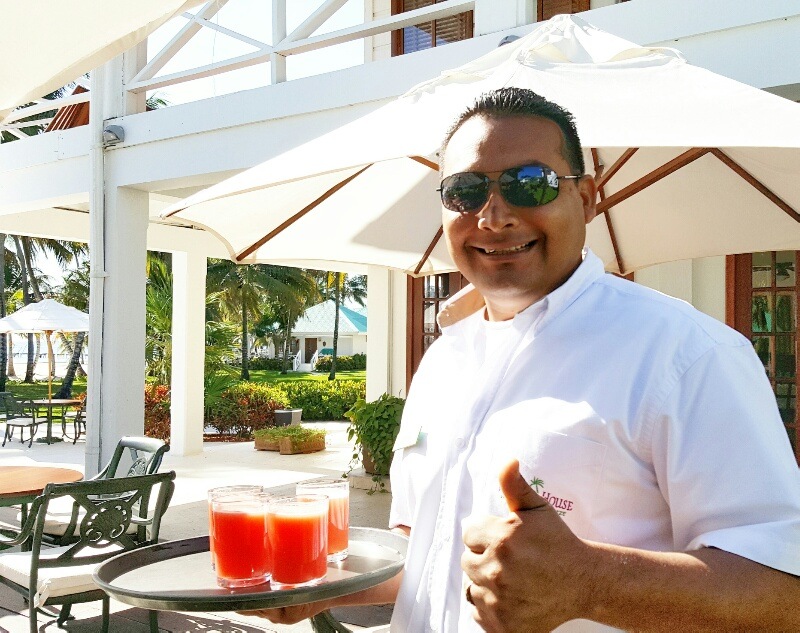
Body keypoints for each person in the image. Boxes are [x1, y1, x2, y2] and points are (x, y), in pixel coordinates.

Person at [252, 88, 800, 631]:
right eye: (465, 191)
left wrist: (590, 583)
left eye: (529, 184)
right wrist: (320, 580)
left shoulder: (688, 356)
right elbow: (429, 553)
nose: (492, 216)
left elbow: (783, 595)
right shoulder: (445, 360)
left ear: (586, 198)